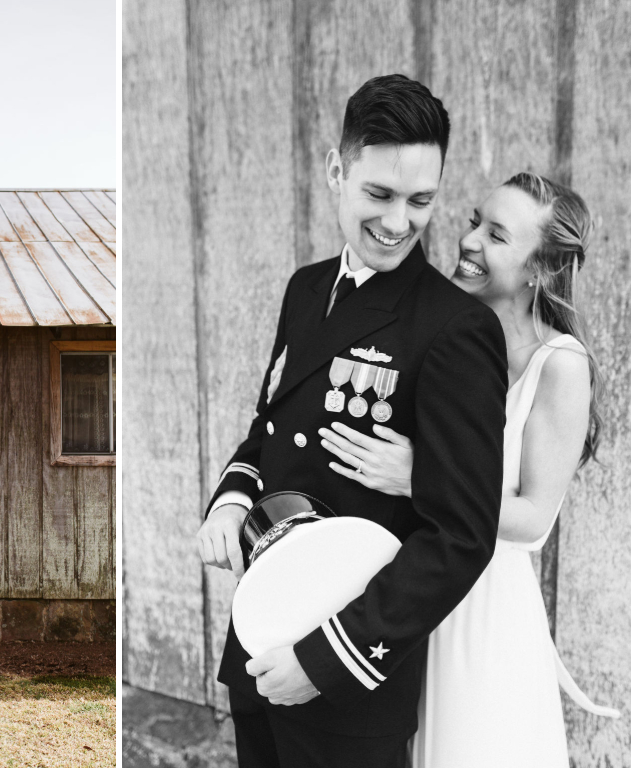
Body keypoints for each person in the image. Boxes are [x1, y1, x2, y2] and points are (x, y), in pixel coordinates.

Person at [195, 73, 508, 768]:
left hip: (348, 686)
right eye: (379, 193)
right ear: (338, 169)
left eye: (421, 200)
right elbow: (270, 427)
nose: (399, 223)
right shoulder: (306, 289)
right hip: (262, 641)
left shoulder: (455, 329)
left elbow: (461, 535)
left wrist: (327, 661)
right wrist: (233, 499)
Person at [318, 172, 619, 767]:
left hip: (484, 610)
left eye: (497, 235)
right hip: (410, 591)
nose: (469, 240)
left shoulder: (560, 366)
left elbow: (534, 520)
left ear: (540, 268)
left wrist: (419, 477)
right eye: (475, 221)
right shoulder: (442, 334)